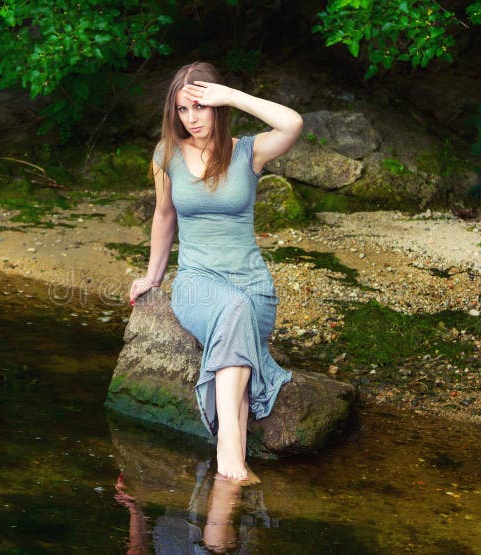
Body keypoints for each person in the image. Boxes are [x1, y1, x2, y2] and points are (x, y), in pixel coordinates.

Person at [129, 61, 303, 481]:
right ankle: (231, 456)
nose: (191, 119)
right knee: (231, 311)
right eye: (183, 110)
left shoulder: (249, 152)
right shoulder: (166, 153)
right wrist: (153, 277)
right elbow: (164, 216)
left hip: (253, 286)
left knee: (239, 312)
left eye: (200, 107)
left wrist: (231, 96)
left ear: (217, 106)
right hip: (196, 283)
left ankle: (225, 486)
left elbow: (293, 123)